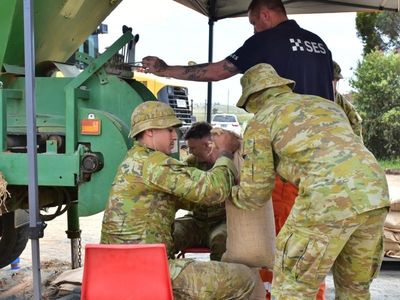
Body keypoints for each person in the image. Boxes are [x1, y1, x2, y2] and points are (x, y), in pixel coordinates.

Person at [212, 63, 390, 299]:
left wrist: (229, 193)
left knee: (292, 289)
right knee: (355, 290)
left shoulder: (262, 120)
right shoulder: (327, 105)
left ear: (253, 98)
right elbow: (352, 141)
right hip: (374, 192)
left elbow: (257, 190)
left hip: (327, 197)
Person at [100, 101, 255, 299]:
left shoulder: (136, 159)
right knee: (244, 278)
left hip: (118, 266)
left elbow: (191, 199)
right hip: (145, 269)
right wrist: (224, 154)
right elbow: (212, 191)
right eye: (169, 129)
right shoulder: (154, 164)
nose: (175, 136)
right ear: (149, 131)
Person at [142, 0, 334, 100]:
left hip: (291, 135)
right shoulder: (319, 42)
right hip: (327, 134)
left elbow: (217, 72)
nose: (254, 29)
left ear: (265, 15)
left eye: (254, 22)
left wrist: (165, 70)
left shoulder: (264, 40)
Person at [174, 122, 227, 261]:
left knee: (221, 241)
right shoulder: (191, 163)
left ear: (207, 144)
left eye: (193, 148)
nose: (190, 152)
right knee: (171, 232)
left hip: (221, 222)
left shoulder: (226, 162)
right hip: (197, 221)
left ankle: (218, 280)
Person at [333, 61, 363, 140]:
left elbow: (356, 123)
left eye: (336, 79)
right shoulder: (310, 97)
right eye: (332, 79)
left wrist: (357, 146)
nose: (334, 82)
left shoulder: (341, 101)